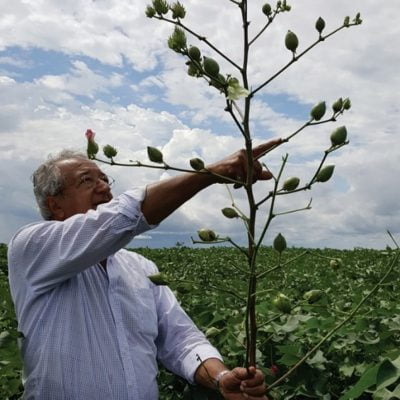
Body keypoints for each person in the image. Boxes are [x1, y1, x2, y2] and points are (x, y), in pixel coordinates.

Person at [7, 137, 281, 400]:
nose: (103, 187)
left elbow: (180, 339)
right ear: (55, 205)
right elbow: (122, 217)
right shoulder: (31, 248)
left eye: (104, 178)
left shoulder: (142, 268)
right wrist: (210, 173)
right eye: (86, 180)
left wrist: (221, 378)